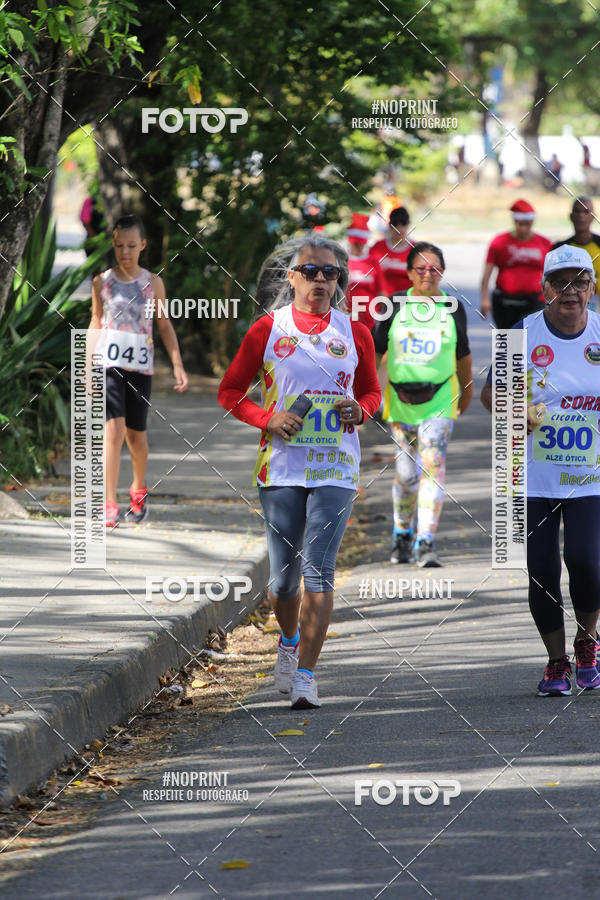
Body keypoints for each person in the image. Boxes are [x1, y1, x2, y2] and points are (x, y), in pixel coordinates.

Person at [218, 234, 381, 709]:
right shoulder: (267, 329)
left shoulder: (356, 333)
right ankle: (288, 644)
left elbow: (372, 392)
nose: (321, 280)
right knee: (284, 580)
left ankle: (307, 673)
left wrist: (361, 410)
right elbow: (231, 393)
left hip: (336, 467)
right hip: (283, 466)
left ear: (339, 282)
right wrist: (269, 419)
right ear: (290, 278)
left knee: (319, 571)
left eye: (330, 273)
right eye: (310, 271)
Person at [481, 245, 600, 696]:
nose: (571, 292)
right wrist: (517, 408)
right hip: (527, 473)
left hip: (590, 475)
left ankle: (588, 642)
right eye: (561, 283)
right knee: (541, 569)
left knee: (588, 563)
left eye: (580, 282)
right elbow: (491, 398)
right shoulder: (522, 334)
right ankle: (556, 662)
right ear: (544, 289)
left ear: (591, 288)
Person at [372, 242, 472, 567]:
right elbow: (374, 352)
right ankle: (402, 534)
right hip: (400, 404)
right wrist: (369, 392)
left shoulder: (453, 307)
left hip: (440, 400)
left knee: (431, 468)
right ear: (409, 272)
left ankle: (425, 542)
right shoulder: (394, 304)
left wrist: (465, 396)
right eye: (421, 268)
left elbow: (463, 357)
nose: (428, 274)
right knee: (405, 474)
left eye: (434, 268)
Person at [89, 214, 188, 528]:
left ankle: (138, 488)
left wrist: (177, 364)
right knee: (113, 431)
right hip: (110, 364)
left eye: (131, 245)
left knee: (136, 436)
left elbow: (164, 324)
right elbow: (95, 321)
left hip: (140, 368)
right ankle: (109, 502)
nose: (125, 252)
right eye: (119, 245)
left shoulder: (152, 283)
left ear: (143, 245)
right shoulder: (101, 281)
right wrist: (88, 366)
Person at [480, 199, 552, 329]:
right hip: (505, 303)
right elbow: (487, 273)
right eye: (521, 224)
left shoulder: (544, 243)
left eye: (527, 224)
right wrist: (484, 299)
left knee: (530, 340)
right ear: (515, 222)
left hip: (535, 302)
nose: (524, 228)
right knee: (508, 342)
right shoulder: (500, 242)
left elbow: (553, 274)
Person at [552, 196, 600, 312]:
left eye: (586, 211)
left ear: (593, 216)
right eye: (577, 211)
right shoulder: (560, 249)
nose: (581, 216)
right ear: (571, 216)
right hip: (570, 309)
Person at [345, 212, 384, 331]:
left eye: (361, 243)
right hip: (347, 316)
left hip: (370, 317)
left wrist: (384, 317)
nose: (358, 246)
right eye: (355, 243)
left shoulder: (372, 262)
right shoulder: (342, 261)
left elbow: (381, 291)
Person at [369, 207, 414, 298]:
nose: (399, 228)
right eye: (395, 224)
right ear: (389, 226)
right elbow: (369, 276)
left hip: (409, 302)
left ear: (408, 225)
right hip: (382, 302)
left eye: (403, 223)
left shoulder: (416, 250)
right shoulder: (377, 248)